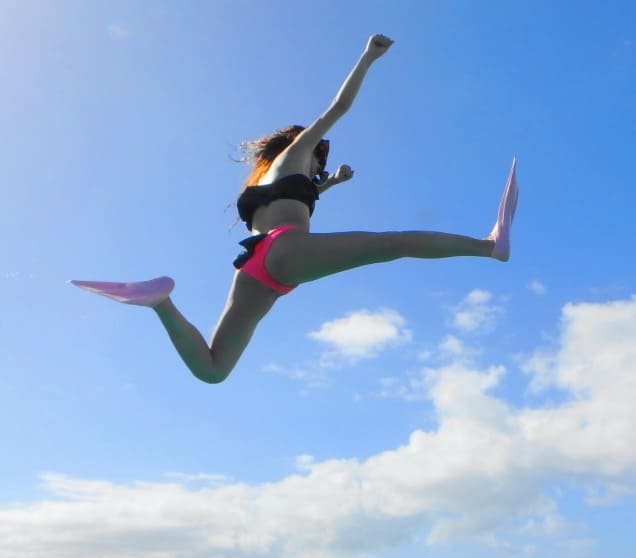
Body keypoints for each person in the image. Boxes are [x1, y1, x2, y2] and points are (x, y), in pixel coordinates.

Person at [72, 34, 518, 384]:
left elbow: (296, 198)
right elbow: (337, 108)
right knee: (393, 242)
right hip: (283, 253)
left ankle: (161, 302)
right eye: (319, 156)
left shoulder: (268, 181)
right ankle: (487, 245)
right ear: (304, 147)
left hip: (254, 270)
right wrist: (368, 57)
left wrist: (330, 184)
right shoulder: (295, 154)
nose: (319, 162)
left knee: (212, 370)